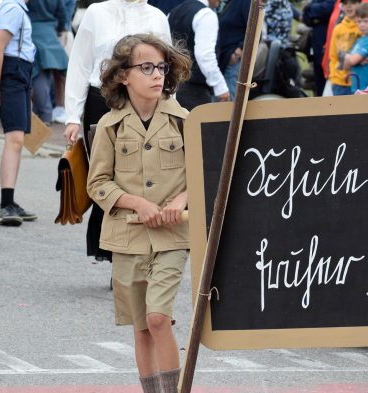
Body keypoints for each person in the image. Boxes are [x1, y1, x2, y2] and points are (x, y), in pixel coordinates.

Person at [87, 33, 190, 393]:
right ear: (123, 76)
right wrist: (138, 203)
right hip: (127, 237)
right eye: (146, 67)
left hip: (173, 236)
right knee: (141, 326)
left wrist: (180, 201)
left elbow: (205, 174)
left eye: (161, 67)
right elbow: (97, 183)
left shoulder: (183, 120)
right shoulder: (109, 126)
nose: (157, 75)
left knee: (158, 317)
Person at [63, 0, 172, 262]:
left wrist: (170, 111)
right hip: (100, 101)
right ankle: (112, 248)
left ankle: (134, 251)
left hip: (145, 103)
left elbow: (166, 69)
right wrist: (71, 116)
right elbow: (80, 63)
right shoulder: (96, 12)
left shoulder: (157, 17)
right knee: (107, 175)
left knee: (140, 174)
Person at [0, 0, 38, 226]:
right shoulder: (12, 7)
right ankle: (5, 205)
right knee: (15, 139)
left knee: (17, 140)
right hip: (12, 72)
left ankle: (9, 200)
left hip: (18, 73)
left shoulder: (14, 7)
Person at [169, 0, 229, 111]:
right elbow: (205, 55)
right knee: (195, 128)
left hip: (174, 86)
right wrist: (220, 87)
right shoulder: (206, 14)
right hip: (195, 90)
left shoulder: (174, 11)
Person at [28, 0, 69, 125]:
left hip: (31, 32)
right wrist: (59, 29)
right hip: (50, 34)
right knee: (58, 74)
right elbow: (63, 14)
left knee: (38, 75)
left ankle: (43, 114)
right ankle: (55, 110)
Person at [217, 0, 251, 101]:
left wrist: (239, 50)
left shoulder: (246, 2)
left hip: (232, 60)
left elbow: (254, 29)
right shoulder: (227, 3)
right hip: (222, 58)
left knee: (228, 102)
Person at [343, 2, 368, 93]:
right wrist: (353, 60)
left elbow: (351, 61)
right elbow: (345, 66)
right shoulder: (359, 40)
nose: (361, 25)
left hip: (366, 87)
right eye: (359, 21)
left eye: (366, 21)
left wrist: (348, 57)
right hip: (355, 86)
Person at [328, 0, 361, 96]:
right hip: (339, 83)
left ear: (360, 4)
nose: (349, 6)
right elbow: (332, 55)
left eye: (353, 3)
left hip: (358, 82)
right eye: (345, 3)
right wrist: (333, 78)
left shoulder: (363, 27)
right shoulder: (338, 29)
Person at [301, 0, 334, 96]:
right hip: (317, 50)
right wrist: (315, 15)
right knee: (319, 85)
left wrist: (309, 7)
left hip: (330, 49)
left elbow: (328, 9)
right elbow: (305, 17)